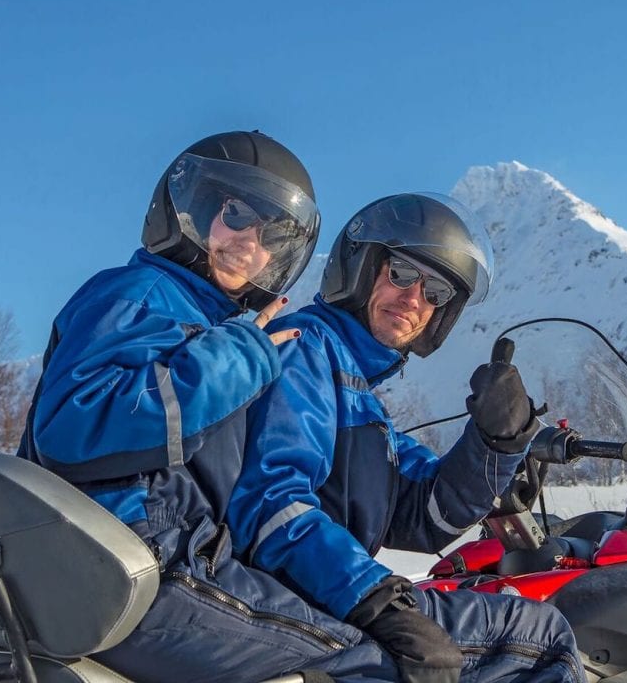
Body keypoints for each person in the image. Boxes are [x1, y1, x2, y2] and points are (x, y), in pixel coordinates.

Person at [17, 131, 370, 683]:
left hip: (154, 561)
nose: (250, 242)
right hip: (129, 560)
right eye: (236, 214)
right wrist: (235, 358)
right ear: (190, 210)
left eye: (272, 233)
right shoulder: (141, 292)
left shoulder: (210, 320)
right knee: (359, 661)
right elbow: (71, 427)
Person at [229, 193, 587, 683]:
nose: (414, 298)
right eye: (400, 273)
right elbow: (273, 502)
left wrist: (499, 440)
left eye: (436, 291)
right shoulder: (305, 349)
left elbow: (429, 514)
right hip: (289, 600)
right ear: (360, 268)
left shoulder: (358, 393)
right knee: (540, 638)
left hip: (318, 594)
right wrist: (378, 599)